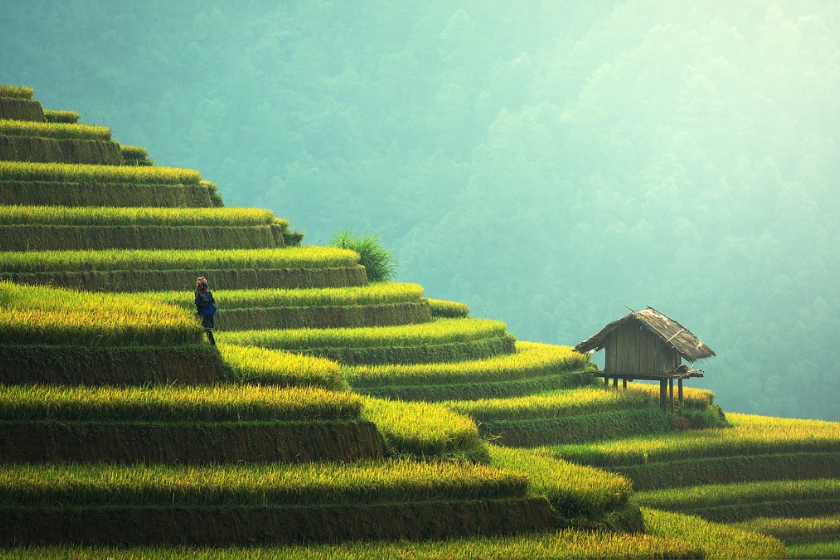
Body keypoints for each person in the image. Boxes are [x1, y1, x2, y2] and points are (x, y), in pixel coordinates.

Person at [194, 276, 217, 345]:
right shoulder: (209, 293)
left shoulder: (198, 293)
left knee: (203, 327)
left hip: (203, 311)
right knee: (208, 328)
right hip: (209, 311)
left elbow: (197, 303)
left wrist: (198, 309)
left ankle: (202, 342)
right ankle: (212, 343)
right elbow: (213, 301)